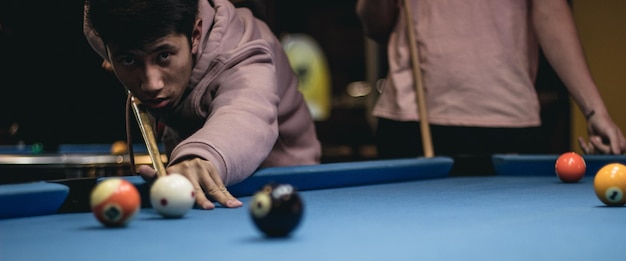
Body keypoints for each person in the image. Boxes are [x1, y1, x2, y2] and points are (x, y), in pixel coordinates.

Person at [84, 0, 321, 210]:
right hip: (196, 184)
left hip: (282, 186)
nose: (151, 84)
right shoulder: (104, 28)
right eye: (129, 59)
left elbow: (246, 115)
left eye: (163, 56)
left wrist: (199, 157)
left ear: (195, 35)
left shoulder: (243, 52)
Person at [355, 0, 625, 160]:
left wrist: (593, 111)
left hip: (507, 115)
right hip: (412, 117)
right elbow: (374, 26)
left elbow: (550, 9)